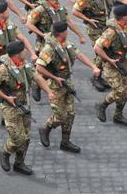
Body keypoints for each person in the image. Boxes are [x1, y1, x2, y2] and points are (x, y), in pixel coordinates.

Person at [0, 40, 53, 175]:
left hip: (24, 105)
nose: (26, 52)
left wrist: (49, 92)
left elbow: (38, 78)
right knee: (18, 138)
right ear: (17, 54)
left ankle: (19, 162)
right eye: (24, 50)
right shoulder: (2, 70)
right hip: (9, 107)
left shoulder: (25, 65)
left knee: (27, 137)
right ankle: (5, 152)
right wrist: (6, 98)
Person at [35, 21, 100, 153]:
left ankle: (65, 142)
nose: (67, 32)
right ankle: (46, 128)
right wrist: (54, 78)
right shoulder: (49, 49)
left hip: (67, 83)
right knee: (60, 116)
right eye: (66, 30)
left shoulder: (66, 43)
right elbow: (39, 67)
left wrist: (93, 66)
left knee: (70, 114)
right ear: (61, 33)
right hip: (54, 85)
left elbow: (78, 54)